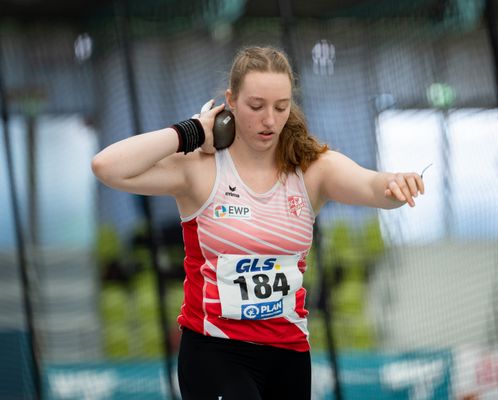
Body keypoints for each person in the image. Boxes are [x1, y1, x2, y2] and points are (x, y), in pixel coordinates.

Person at [92, 46, 425, 400]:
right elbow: (107, 166)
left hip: (289, 354)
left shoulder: (311, 169)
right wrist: (191, 131)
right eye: (256, 106)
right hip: (215, 351)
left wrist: (394, 184)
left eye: (281, 107)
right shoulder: (201, 170)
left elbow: (372, 186)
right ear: (230, 102)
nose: (270, 120)